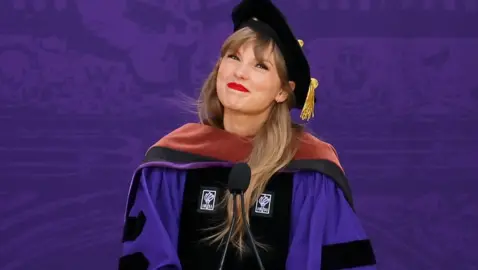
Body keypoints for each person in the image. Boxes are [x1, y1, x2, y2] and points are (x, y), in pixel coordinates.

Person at [118, 0, 377, 269]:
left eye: (261, 66)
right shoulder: (171, 163)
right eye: (233, 57)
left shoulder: (311, 171)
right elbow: (145, 258)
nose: (240, 73)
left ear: (283, 91)